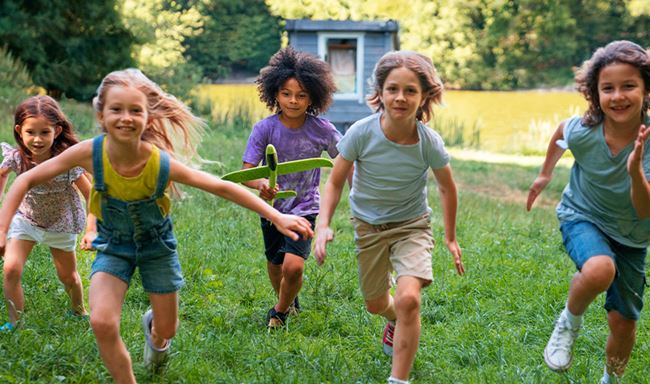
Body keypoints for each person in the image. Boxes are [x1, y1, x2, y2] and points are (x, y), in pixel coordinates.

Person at [0, 69, 313, 383]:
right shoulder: (89, 152)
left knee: (167, 328)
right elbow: (25, 180)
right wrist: (2, 229)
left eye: (135, 110)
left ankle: (156, 333)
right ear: (101, 115)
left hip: (156, 248)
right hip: (114, 246)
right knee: (102, 323)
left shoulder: (157, 161)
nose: (126, 118)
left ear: (148, 118)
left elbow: (220, 187)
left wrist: (277, 216)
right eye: (116, 110)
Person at [314, 51, 465, 384]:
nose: (401, 97)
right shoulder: (361, 133)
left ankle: (399, 379)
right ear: (380, 92)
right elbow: (336, 180)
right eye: (393, 89)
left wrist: (450, 237)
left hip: (412, 226)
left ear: (425, 96)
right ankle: (393, 319)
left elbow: (446, 189)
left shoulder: (429, 142)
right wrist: (322, 225)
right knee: (376, 303)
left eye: (410, 90)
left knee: (409, 298)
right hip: (368, 228)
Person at [527, 40, 650, 384]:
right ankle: (569, 322)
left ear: (646, 89)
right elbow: (560, 133)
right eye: (607, 88)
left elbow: (644, 209)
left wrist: (635, 168)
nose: (618, 96)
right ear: (595, 93)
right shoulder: (585, 129)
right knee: (599, 269)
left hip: (634, 234)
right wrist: (545, 174)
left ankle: (610, 380)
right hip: (583, 215)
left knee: (623, 324)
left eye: (629, 86)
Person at [240, 46, 340, 329]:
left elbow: (344, 162)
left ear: (314, 97)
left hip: (305, 208)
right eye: (286, 93)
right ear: (274, 93)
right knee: (275, 264)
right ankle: (287, 300)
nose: (293, 101)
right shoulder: (264, 129)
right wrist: (261, 184)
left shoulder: (323, 129)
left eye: (301, 95)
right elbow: (246, 174)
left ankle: (279, 313)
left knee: (293, 266)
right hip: (271, 209)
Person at [0, 95, 91, 332]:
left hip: (61, 223)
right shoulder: (18, 157)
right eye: (31, 132)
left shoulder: (66, 161)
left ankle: (79, 310)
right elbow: (2, 174)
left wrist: (94, 226)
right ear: (20, 131)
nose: (37, 140)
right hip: (26, 219)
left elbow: (91, 193)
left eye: (44, 132)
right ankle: (14, 321)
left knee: (68, 276)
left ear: (57, 130)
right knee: (11, 268)